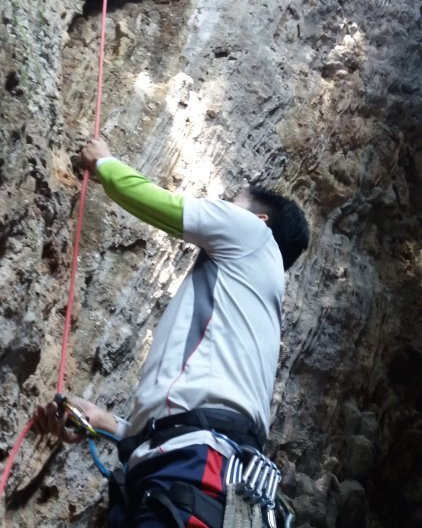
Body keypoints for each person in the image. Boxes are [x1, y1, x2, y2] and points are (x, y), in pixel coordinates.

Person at [33, 138, 310, 528]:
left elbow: (164, 206)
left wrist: (104, 164)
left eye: (230, 202)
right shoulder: (245, 308)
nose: (220, 207)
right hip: (202, 475)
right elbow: (192, 419)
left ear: (259, 219)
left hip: (194, 470)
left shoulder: (253, 235)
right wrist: (105, 422)